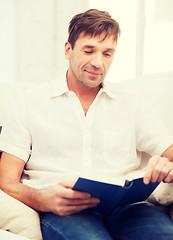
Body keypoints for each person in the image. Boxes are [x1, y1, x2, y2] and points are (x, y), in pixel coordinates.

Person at [0, 8, 173, 240]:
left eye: (107, 53)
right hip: (64, 210)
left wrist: (165, 166)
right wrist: (42, 199)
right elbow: (6, 180)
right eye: (89, 50)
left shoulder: (132, 102)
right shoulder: (30, 102)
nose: (98, 63)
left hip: (129, 208)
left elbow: (169, 153)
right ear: (68, 50)